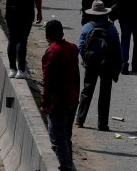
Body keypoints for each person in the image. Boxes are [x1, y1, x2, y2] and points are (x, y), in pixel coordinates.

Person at [75, 0, 122, 131]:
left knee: (86, 91)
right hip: (107, 64)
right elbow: (118, 50)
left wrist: (86, 59)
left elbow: (80, 47)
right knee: (105, 94)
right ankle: (102, 124)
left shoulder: (87, 27)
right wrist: (117, 68)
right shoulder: (111, 28)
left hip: (91, 64)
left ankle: (80, 119)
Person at [40, 19, 80, 171]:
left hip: (60, 102)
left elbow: (48, 82)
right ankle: (69, 164)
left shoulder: (51, 53)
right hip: (72, 98)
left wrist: (44, 104)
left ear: (47, 36)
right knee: (66, 135)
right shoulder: (72, 48)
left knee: (57, 138)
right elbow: (76, 75)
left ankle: (66, 166)